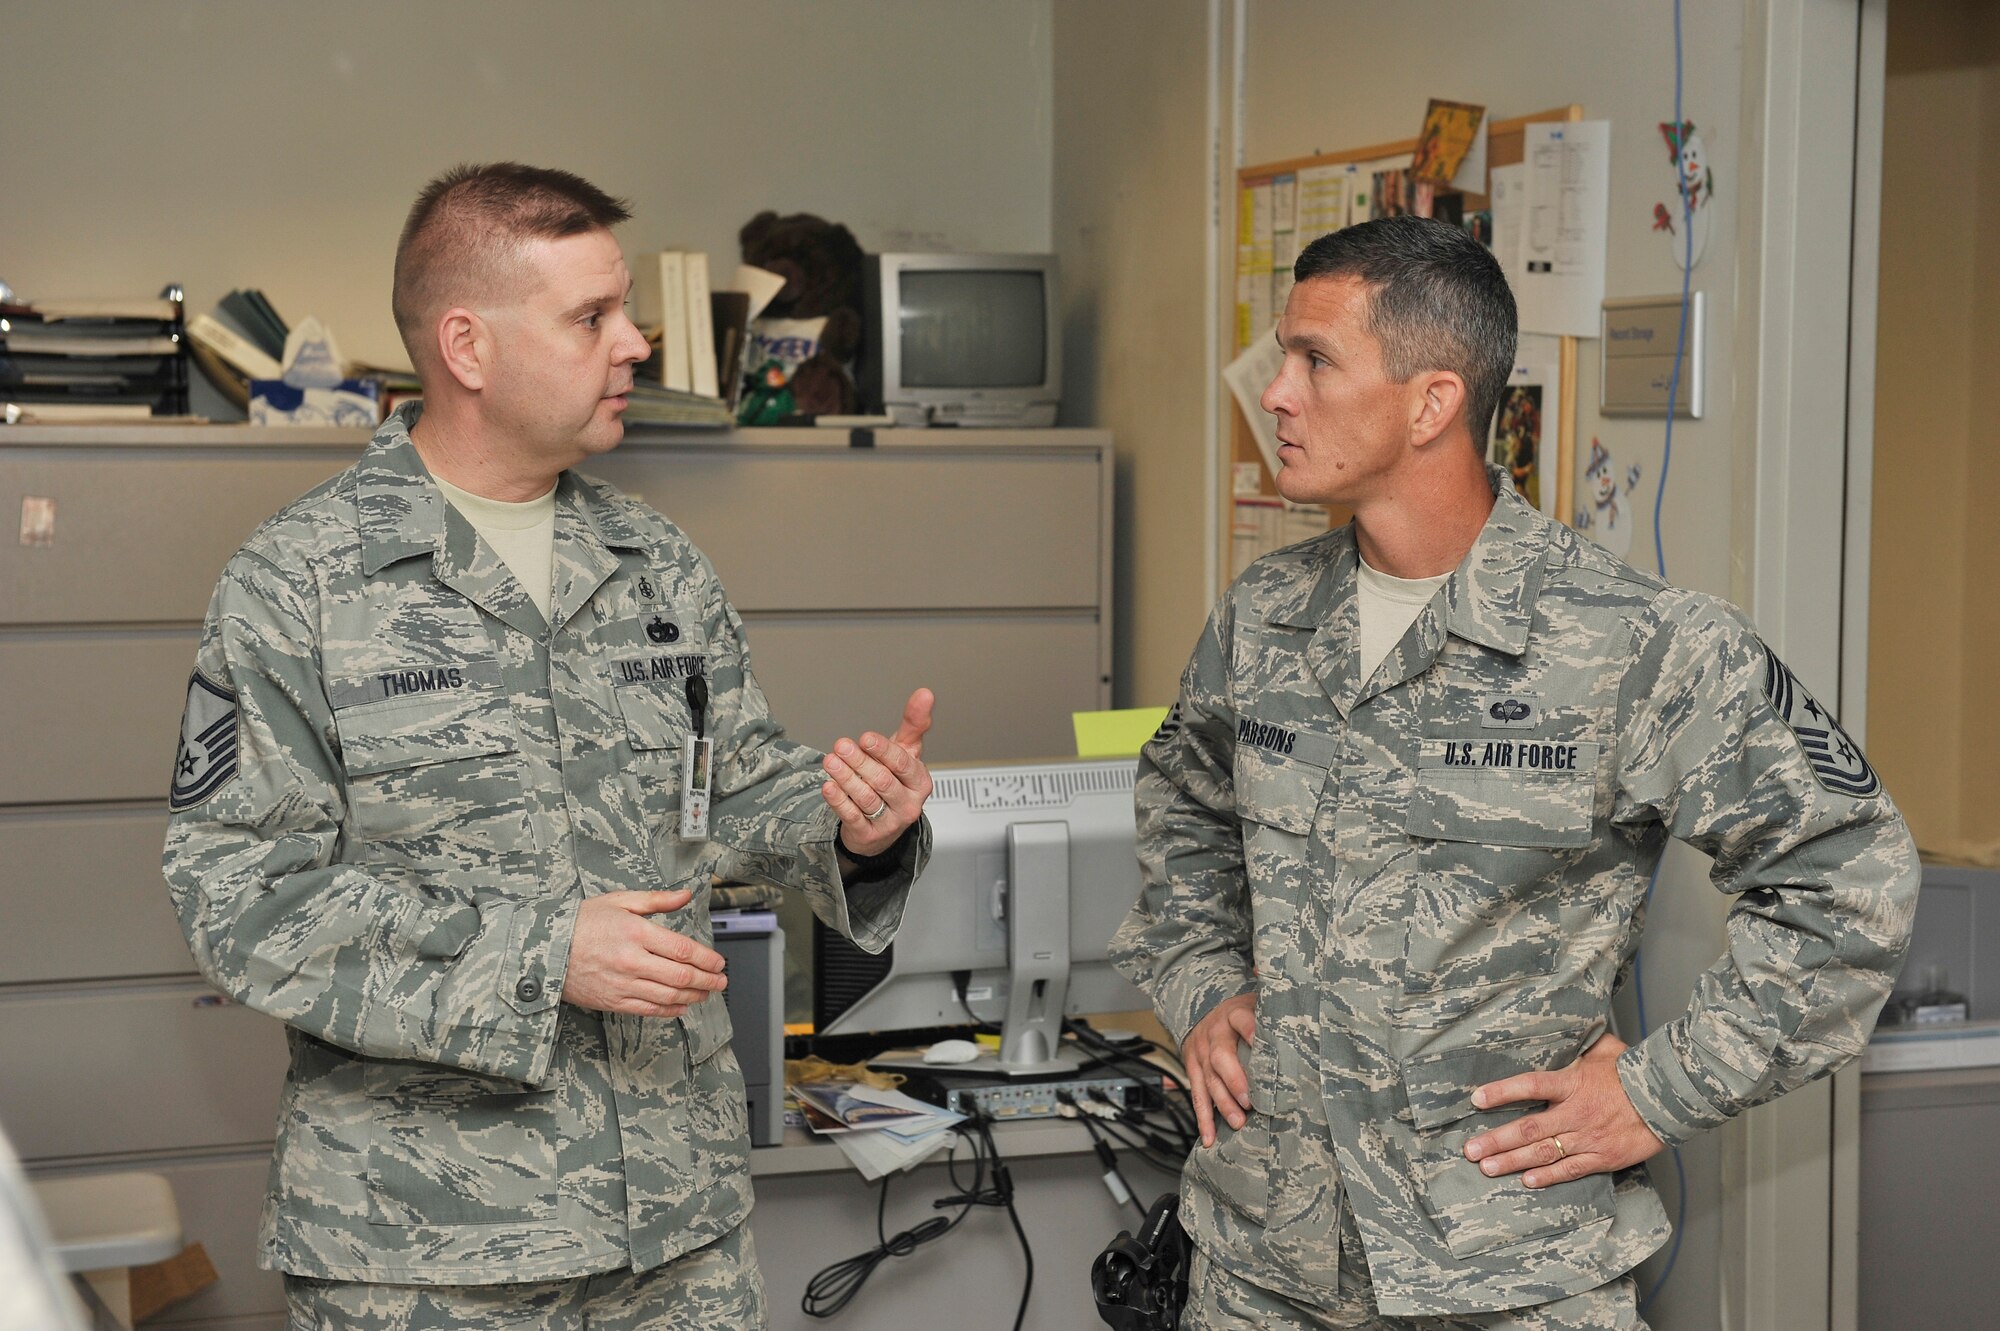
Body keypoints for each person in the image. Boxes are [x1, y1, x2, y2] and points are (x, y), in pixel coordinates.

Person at [162, 163, 936, 1329]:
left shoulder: (654, 561)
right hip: (425, 1251)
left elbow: (728, 794)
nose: (633, 344)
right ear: (468, 347)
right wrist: (540, 952)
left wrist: (852, 826)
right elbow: (241, 899)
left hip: (676, 1232)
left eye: (626, 311)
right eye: (592, 317)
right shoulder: (298, 586)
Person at [1110, 216, 1917, 1329]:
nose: (1276, 395)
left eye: (1313, 360)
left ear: (1431, 401)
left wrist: (1654, 1091)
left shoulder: (1636, 641)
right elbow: (1182, 804)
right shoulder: (1264, 616)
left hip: (1507, 1280)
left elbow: (1849, 881)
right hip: (1261, 1268)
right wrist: (1201, 984)